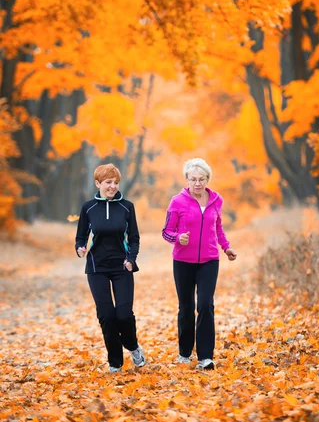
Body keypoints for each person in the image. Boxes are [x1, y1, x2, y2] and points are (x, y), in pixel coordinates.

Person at [162, 158, 237, 370]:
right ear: (186, 180)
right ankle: (185, 353)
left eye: (201, 179)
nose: (197, 183)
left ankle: (206, 357)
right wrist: (178, 238)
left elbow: (218, 227)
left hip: (209, 260)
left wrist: (226, 247)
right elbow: (166, 232)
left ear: (207, 180)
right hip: (183, 261)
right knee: (186, 308)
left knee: (206, 304)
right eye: (193, 179)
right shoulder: (177, 201)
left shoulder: (216, 200)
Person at [75, 163, 146, 374]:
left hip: (122, 267)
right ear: (98, 183)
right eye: (108, 182)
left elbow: (134, 238)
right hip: (97, 267)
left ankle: (133, 347)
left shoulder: (127, 207)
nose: (113, 186)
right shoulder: (88, 208)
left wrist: (131, 258)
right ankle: (115, 362)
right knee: (106, 315)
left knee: (123, 315)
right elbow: (80, 236)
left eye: (116, 182)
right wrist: (80, 247)